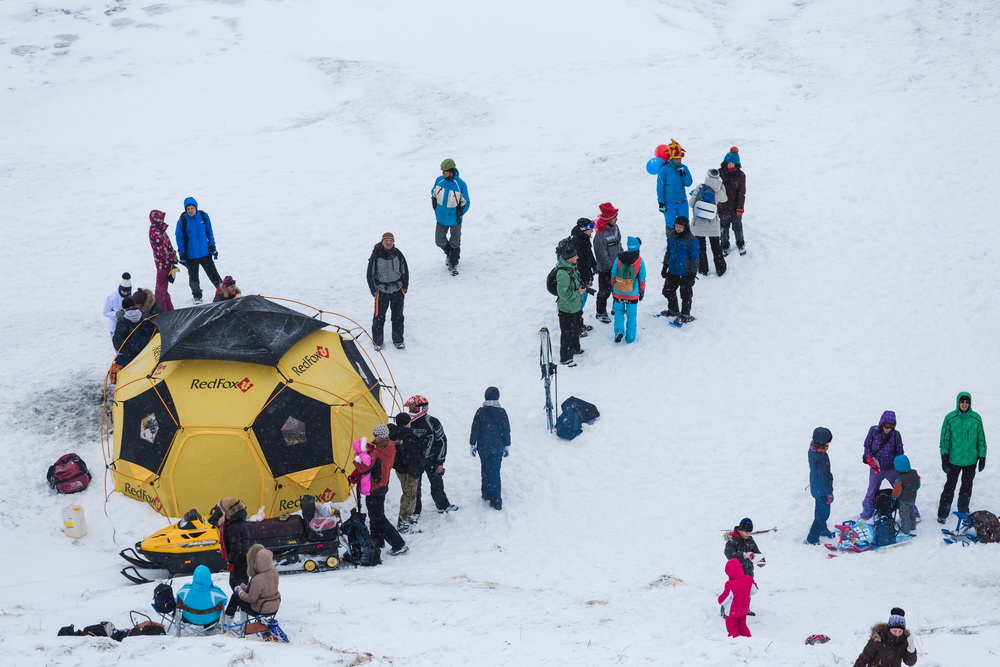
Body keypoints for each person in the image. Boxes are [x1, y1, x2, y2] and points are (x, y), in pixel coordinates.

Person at [352, 424, 408, 555]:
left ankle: (399, 544)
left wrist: (357, 459)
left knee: (378, 518)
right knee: (374, 515)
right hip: (383, 484)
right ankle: (377, 541)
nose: (374, 436)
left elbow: (363, 468)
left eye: (375, 434)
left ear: (378, 435)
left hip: (374, 487)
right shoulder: (390, 446)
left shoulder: (377, 453)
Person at [937, 391, 987, 523]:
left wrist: (982, 456)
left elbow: (981, 439)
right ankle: (942, 513)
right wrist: (944, 456)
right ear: (958, 402)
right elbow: (945, 439)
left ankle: (963, 511)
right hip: (954, 460)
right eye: (962, 402)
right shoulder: (950, 418)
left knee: (966, 487)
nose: (964, 404)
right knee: (949, 487)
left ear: (969, 403)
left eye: (967, 402)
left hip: (971, 460)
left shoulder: (976, 419)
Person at [406, 395, 459, 517]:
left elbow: (442, 441)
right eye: (410, 408)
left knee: (437, 484)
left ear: (423, 408)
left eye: (414, 408)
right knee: (415, 487)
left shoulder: (433, 422)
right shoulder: (406, 422)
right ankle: (415, 511)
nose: (411, 411)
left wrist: (440, 462)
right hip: (414, 461)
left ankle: (443, 505)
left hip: (432, 459)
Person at [860, 411, 908, 521]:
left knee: (901, 491)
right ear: (882, 423)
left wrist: (897, 463)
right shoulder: (873, 431)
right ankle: (866, 514)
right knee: (871, 492)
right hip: (875, 470)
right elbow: (867, 446)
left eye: (892, 427)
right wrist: (869, 458)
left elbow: (900, 451)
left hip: (891, 469)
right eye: (887, 426)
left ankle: (912, 514)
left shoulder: (896, 435)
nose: (889, 429)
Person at [470, 386, 511, 511]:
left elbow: (475, 429)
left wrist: (472, 444)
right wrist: (507, 445)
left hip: (483, 446)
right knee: (495, 471)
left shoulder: (480, 411)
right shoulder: (502, 412)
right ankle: (496, 499)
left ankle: (486, 492)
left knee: (485, 468)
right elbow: (506, 430)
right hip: (497, 447)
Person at [175, 196, 222, 304]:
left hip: (205, 253)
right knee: (193, 278)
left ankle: (222, 291)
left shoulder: (204, 216)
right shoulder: (182, 221)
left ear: (196, 207)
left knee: (214, 274)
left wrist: (212, 246)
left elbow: (209, 232)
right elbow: (179, 238)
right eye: (188, 209)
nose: (190, 210)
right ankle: (197, 296)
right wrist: (182, 253)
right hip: (191, 256)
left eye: (192, 208)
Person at [366, 232, 409, 350]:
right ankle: (378, 342)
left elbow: (405, 271)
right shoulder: (375, 256)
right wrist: (374, 291)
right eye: (386, 240)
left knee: (398, 316)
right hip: (381, 292)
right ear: (382, 242)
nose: (388, 242)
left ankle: (398, 340)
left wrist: (404, 288)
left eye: (391, 240)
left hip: (397, 291)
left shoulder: (398, 254)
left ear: (393, 242)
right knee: (379, 317)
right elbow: (370, 274)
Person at [431, 159, 470, 275]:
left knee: (455, 243)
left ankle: (453, 263)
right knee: (439, 241)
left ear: (451, 171)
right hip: (441, 219)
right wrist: (435, 206)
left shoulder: (460, 185)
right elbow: (433, 193)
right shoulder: (439, 180)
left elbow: (466, 202)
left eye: (445, 171)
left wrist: (459, 213)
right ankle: (450, 253)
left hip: (455, 220)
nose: (442, 172)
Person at [689, 168, 729, 276]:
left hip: (699, 223)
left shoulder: (701, 187)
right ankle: (721, 269)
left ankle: (703, 269)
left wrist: (695, 194)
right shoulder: (718, 190)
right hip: (712, 222)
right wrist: (721, 187)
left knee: (701, 248)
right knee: (716, 247)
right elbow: (725, 199)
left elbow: (691, 204)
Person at [215, 497, 250, 618]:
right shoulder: (237, 520)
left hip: (239, 560)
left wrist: (231, 560)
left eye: (221, 509)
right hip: (242, 558)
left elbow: (236, 547)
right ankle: (242, 608)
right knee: (240, 585)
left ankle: (237, 613)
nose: (220, 511)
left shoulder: (233, 525)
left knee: (237, 586)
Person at [660, 217, 700, 322]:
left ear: (685, 227)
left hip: (685, 273)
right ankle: (673, 310)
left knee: (685, 295)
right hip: (673, 270)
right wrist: (665, 266)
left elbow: (694, 258)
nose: (677, 228)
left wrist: (692, 273)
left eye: (680, 226)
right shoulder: (672, 236)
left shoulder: (692, 240)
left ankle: (685, 314)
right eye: (676, 226)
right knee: (667, 291)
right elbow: (668, 251)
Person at [389, 412, 423, 533]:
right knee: (409, 496)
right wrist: (415, 471)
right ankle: (404, 522)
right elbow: (411, 457)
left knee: (408, 495)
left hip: (401, 469)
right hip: (409, 471)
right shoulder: (406, 437)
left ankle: (406, 519)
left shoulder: (396, 435)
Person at [554, 238, 585, 367]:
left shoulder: (572, 267)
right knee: (567, 332)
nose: (577, 257)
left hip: (575, 307)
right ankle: (565, 356)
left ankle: (575, 348)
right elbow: (563, 294)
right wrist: (578, 293)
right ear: (569, 258)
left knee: (575, 328)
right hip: (567, 309)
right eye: (575, 256)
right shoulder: (563, 274)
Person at [609, 236, 646, 344]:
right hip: (632, 294)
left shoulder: (619, 258)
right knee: (631, 316)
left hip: (618, 291)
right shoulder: (640, 261)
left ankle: (619, 331)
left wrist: (613, 287)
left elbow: (613, 273)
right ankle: (630, 337)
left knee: (619, 312)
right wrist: (641, 292)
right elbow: (642, 279)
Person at [724, 518, 764, 615]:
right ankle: (726, 611)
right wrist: (744, 555)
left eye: (750, 532)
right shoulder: (733, 541)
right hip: (736, 573)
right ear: (740, 530)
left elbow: (756, 551)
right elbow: (729, 554)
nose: (748, 534)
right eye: (746, 532)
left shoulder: (750, 540)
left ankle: (745, 609)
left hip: (748, 571)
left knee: (747, 591)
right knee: (733, 592)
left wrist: (761, 560)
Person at [853, 607, 917, 667]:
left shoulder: (903, 641)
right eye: (895, 631)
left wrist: (911, 647)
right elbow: (864, 658)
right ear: (889, 629)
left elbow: (910, 662)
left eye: (900, 631)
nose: (897, 634)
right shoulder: (878, 639)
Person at [592, 203, 622, 323]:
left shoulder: (616, 228)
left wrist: (622, 259)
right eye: (615, 217)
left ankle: (616, 307)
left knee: (618, 289)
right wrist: (610, 268)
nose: (617, 219)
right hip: (606, 270)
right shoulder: (600, 235)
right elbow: (601, 255)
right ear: (608, 219)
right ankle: (601, 312)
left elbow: (619, 244)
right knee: (604, 292)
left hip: (616, 266)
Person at [806, 427, 836, 545]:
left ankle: (823, 529)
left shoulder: (813, 449)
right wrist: (829, 492)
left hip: (816, 486)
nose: (829, 443)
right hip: (822, 490)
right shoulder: (821, 457)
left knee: (819, 510)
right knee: (822, 514)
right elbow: (824, 478)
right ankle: (812, 538)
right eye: (828, 441)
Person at [656, 139, 693, 231]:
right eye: (676, 158)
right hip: (669, 203)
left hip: (682, 202)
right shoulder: (664, 170)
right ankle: (672, 242)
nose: (678, 160)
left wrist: (683, 174)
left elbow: (689, 183)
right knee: (671, 225)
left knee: (684, 223)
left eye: (679, 158)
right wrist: (661, 202)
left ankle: (686, 243)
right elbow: (660, 187)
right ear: (671, 158)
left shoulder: (684, 168)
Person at [236, 544, 281, 617]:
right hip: (275, 605)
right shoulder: (273, 570)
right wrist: (247, 588)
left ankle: (239, 622)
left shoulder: (257, 579)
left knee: (237, 598)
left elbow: (251, 599)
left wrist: (240, 592)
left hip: (261, 609)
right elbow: (266, 589)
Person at [718, 558, 758, 638]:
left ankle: (735, 641)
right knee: (742, 625)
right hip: (743, 609)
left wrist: (719, 599)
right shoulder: (748, 579)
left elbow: (724, 599)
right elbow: (754, 590)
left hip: (732, 611)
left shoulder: (730, 584)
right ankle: (748, 639)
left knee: (732, 627)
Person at [569, 218, 597, 333]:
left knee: (581, 302)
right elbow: (580, 263)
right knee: (579, 303)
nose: (593, 230)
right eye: (591, 227)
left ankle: (579, 324)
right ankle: (575, 327)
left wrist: (594, 265)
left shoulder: (584, 238)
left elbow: (589, 254)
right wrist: (584, 279)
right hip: (580, 278)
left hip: (585, 276)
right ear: (583, 229)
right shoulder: (577, 242)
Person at [718, 147, 747, 256]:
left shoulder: (741, 175)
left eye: (732, 163)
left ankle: (740, 243)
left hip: (735, 207)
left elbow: (741, 193)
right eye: (728, 163)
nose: (730, 165)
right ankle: (725, 245)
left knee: (737, 226)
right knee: (724, 226)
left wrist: (740, 207)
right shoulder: (719, 173)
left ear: (736, 164)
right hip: (722, 206)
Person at [148, 210, 177, 312]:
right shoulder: (156, 232)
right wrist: (172, 259)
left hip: (165, 263)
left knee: (163, 288)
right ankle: (163, 311)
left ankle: (169, 309)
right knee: (161, 290)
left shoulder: (159, 230)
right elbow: (163, 249)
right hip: (163, 264)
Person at [891, 455, 920, 535]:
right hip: (912, 497)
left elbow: (897, 491)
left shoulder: (900, 478)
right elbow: (918, 484)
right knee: (911, 512)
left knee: (904, 515)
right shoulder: (914, 473)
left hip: (903, 500)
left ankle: (906, 529)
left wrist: (893, 497)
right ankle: (913, 525)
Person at [102, 272, 132, 341]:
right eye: (124, 291)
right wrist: (115, 314)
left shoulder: (132, 296)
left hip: (129, 328)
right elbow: (105, 312)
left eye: (127, 291)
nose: (125, 293)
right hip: (115, 328)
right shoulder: (111, 297)